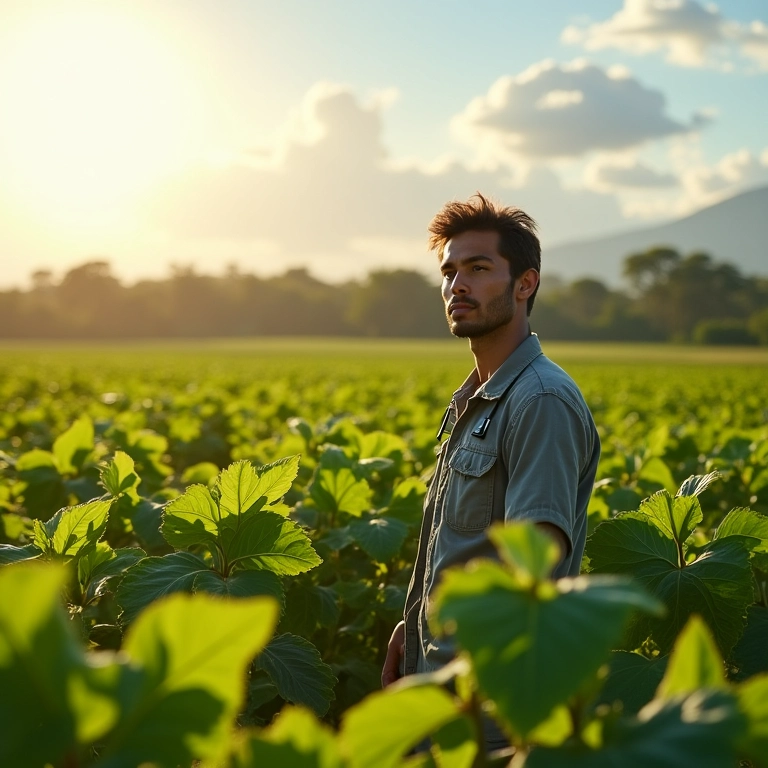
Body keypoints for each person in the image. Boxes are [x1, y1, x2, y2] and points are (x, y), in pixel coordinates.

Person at [380, 193, 601, 752]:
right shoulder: (478, 399)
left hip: (491, 705)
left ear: (525, 284)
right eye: (449, 272)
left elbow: (534, 567)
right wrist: (415, 629)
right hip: (441, 680)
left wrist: (465, 681)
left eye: (479, 269)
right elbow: (467, 543)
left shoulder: (540, 400)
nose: (458, 285)